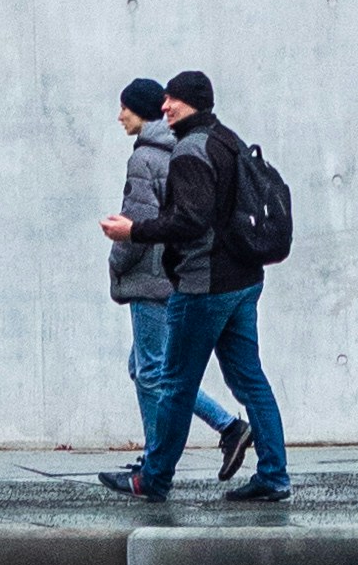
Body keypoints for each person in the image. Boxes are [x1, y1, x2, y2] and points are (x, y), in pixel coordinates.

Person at [112, 65, 289, 508]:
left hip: (204, 284)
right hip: (244, 280)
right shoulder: (226, 139)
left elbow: (189, 221)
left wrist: (134, 231)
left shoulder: (192, 150)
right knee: (250, 381)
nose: (164, 106)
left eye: (171, 99)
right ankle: (274, 476)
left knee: (173, 383)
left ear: (190, 102)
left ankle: (154, 478)